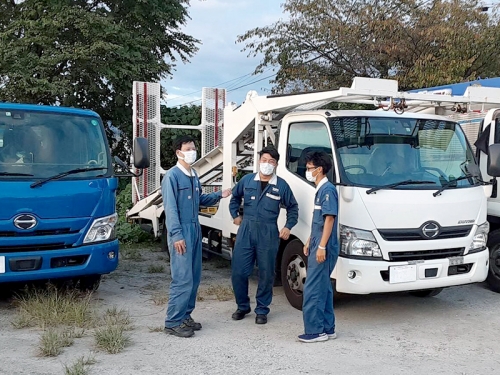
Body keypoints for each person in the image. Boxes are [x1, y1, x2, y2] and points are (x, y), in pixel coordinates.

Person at [162, 135, 232, 338]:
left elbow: (199, 200)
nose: (193, 151)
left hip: (194, 228)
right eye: (188, 148)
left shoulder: (193, 175)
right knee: (182, 278)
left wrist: (220, 194)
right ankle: (173, 321)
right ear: (179, 152)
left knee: (193, 277)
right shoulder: (172, 177)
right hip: (181, 230)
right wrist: (176, 235)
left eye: (194, 148)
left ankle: (185, 316)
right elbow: (171, 209)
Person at [229, 146, 299, 325]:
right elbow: (234, 198)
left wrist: (288, 226)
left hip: (268, 233)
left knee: (266, 274)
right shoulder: (247, 180)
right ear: (259, 161)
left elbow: (293, 207)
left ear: (276, 164)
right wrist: (235, 215)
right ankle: (242, 306)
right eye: (264, 160)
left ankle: (262, 310)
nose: (267, 164)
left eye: (271, 161)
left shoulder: (281, 185)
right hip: (246, 230)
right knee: (239, 271)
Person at [298, 151, 339, 343]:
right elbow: (318, 222)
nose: (307, 171)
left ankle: (315, 331)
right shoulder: (321, 189)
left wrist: (321, 246)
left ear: (319, 169)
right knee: (324, 287)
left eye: (309, 168)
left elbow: (329, 219)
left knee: (313, 288)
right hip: (318, 242)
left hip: (325, 244)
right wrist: (309, 241)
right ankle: (328, 328)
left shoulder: (327, 190)